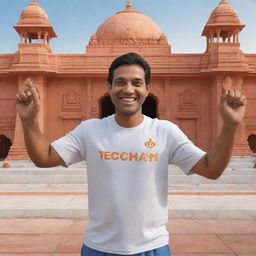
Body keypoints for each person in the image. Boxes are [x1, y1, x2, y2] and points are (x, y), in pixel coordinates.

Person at [16, 52, 246, 256]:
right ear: (109, 88)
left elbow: (211, 169)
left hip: (152, 247)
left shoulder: (165, 132)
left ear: (147, 89)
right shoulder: (90, 130)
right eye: (120, 82)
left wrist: (230, 125)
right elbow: (44, 157)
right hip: (98, 247)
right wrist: (28, 121)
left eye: (137, 82)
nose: (128, 89)